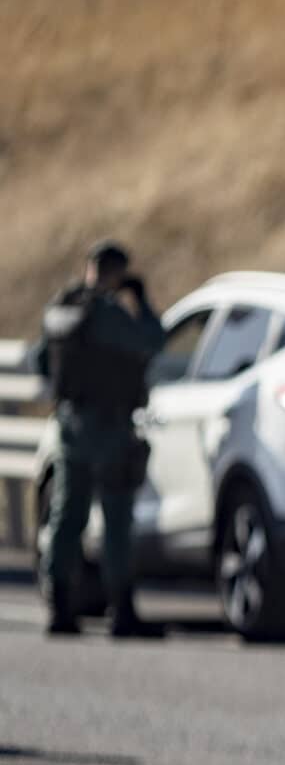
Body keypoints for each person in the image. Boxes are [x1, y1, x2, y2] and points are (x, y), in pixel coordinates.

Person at [29, 239, 166, 638]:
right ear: (117, 272)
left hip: (69, 426)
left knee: (66, 518)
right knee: (116, 519)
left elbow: (41, 362)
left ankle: (59, 607)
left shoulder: (63, 305)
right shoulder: (106, 313)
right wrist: (140, 301)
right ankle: (121, 611)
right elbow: (152, 341)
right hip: (109, 427)